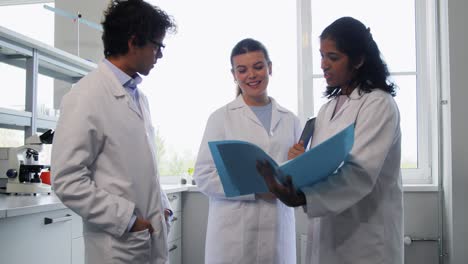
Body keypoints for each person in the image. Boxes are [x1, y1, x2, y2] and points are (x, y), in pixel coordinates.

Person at [257, 17, 403, 264]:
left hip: (366, 240)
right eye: (322, 56)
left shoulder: (378, 104)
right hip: (327, 235)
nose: (323, 65)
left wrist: (303, 197)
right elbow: (323, 169)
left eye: (333, 58)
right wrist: (297, 172)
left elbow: (359, 173)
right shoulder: (327, 110)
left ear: (358, 59)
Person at [51, 1, 176, 263]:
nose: (160, 55)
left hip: (146, 237)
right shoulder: (85, 96)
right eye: (157, 46)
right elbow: (67, 181)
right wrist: (128, 220)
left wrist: (162, 206)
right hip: (118, 246)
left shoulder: (139, 97)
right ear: (133, 42)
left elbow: (143, 170)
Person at [193, 38, 301, 264]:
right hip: (233, 238)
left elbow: (299, 175)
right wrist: (257, 190)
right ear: (233, 74)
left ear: (270, 68)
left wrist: (299, 165)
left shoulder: (289, 119)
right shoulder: (221, 118)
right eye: (242, 70)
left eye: (258, 67)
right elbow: (203, 176)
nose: (251, 75)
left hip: (277, 233)